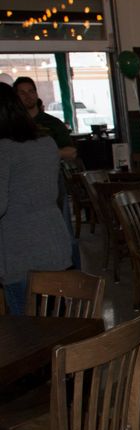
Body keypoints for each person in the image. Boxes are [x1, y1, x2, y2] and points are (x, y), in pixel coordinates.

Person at [0, 83, 72, 315]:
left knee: (28, 330)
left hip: (19, 251)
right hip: (54, 243)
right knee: (56, 323)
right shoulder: (46, 142)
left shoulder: (5, 149)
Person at [12, 76, 76, 160]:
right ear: (16, 97)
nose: (27, 96)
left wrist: (44, 153)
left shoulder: (53, 123)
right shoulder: (11, 124)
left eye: (31, 91)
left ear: (36, 94)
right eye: (22, 93)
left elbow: (71, 152)